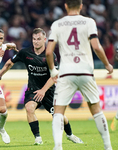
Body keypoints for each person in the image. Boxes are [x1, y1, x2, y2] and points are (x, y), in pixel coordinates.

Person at [46, 1, 113, 150]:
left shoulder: (58, 24)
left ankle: (58, 146)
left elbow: (49, 51)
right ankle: (108, 147)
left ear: (65, 6)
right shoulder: (89, 22)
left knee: (58, 111)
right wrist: (107, 64)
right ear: (81, 6)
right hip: (85, 71)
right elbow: (96, 46)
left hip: (66, 72)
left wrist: (52, 70)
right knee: (96, 109)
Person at [0, 28, 83, 145]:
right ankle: (38, 138)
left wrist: (43, 90)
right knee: (29, 108)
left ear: (44, 39)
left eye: (38, 39)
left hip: (49, 91)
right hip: (32, 90)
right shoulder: (25, 53)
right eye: (34, 39)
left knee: (59, 116)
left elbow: (54, 77)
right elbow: (9, 63)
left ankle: (70, 135)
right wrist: (0, 74)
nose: (36, 41)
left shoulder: (50, 55)